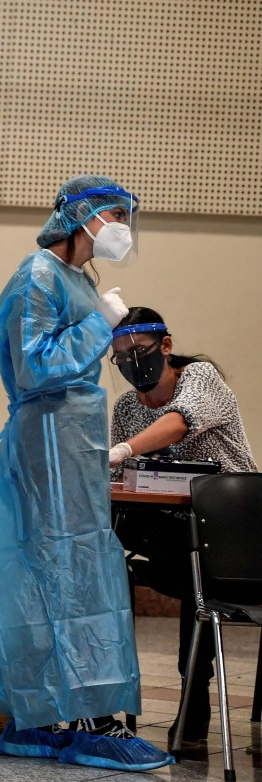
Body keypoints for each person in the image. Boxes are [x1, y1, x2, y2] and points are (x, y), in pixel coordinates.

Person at [0, 175, 172, 771]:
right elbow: (34, 367)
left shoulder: (77, 279)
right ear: (82, 216)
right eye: (115, 216)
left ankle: (56, 717)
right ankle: (75, 721)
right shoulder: (37, 275)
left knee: (81, 567)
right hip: (47, 440)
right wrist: (99, 325)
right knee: (61, 573)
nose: (123, 229)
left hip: (74, 440)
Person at [109, 307, 257, 748]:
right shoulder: (126, 407)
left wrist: (123, 449)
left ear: (166, 346)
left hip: (235, 530)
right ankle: (105, 694)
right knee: (105, 542)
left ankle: (194, 691)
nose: (132, 363)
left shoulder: (200, 378)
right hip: (168, 530)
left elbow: (177, 424)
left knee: (196, 560)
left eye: (140, 351)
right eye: (121, 357)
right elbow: (119, 480)